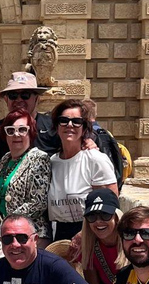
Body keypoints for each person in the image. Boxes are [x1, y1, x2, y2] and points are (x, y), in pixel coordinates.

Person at [48, 99, 118, 241]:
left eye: (76, 121)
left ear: (84, 128)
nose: (69, 125)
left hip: (91, 234)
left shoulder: (95, 160)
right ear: (56, 126)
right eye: (64, 120)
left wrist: (84, 236)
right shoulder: (52, 162)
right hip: (59, 234)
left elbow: (111, 203)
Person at [0, 108, 51, 247]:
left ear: (30, 133)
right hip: (4, 236)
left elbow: (38, 203)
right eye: (10, 131)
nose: (16, 134)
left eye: (22, 130)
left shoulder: (39, 159)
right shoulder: (2, 162)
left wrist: (9, 221)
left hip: (30, 237)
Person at [0, 214, 87, 284]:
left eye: (22, 238)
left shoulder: (55, 268)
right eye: (7, 239)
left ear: (35, 240)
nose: (15, 244)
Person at [0, 72, 57, 164]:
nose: (19, 100)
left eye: (25, 95)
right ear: (6, 100)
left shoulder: (52, 127)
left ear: (37, 99)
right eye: (13, 95)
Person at [78, 189, 128, 284]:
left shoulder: (132, 243)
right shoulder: (88, 249)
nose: (98, 221)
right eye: (92, 216)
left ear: (116, 217)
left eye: (105, 215)